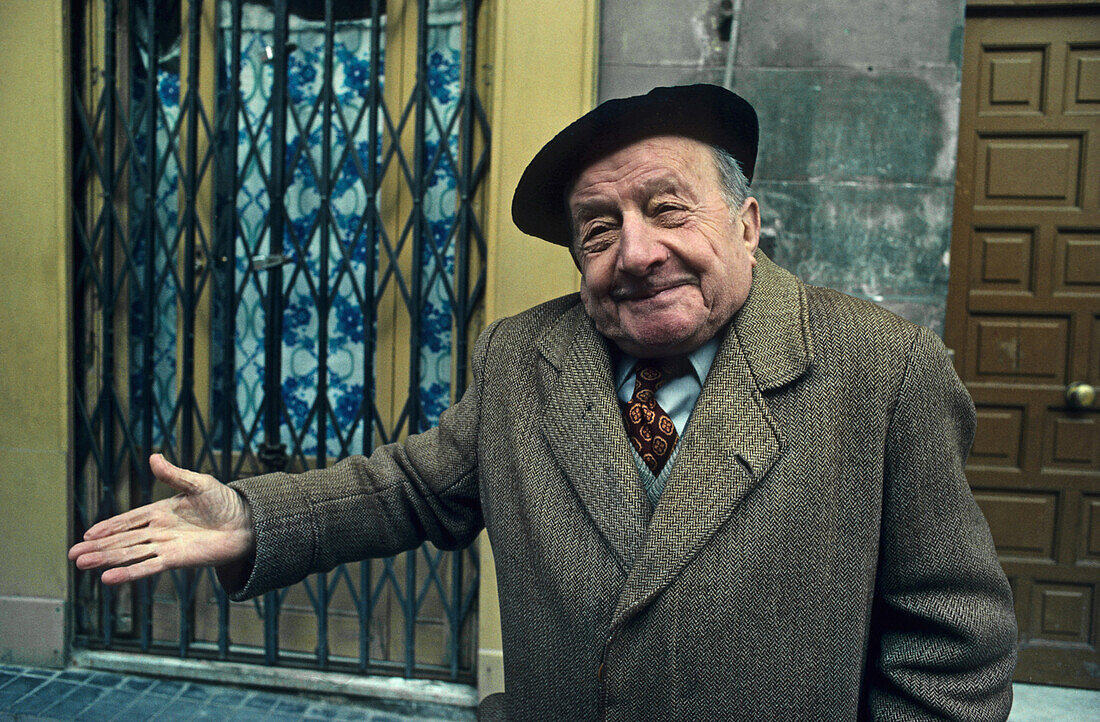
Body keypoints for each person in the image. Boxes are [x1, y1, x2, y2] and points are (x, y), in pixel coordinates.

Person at [69, 84, 1017, 721]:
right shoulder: (526, 357)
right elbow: (414, 488)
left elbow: (953, 639)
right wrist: (253, 514)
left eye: (668, 208)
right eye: (599, 229)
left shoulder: (880, 368)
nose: (634, 251)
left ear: (749, 222)